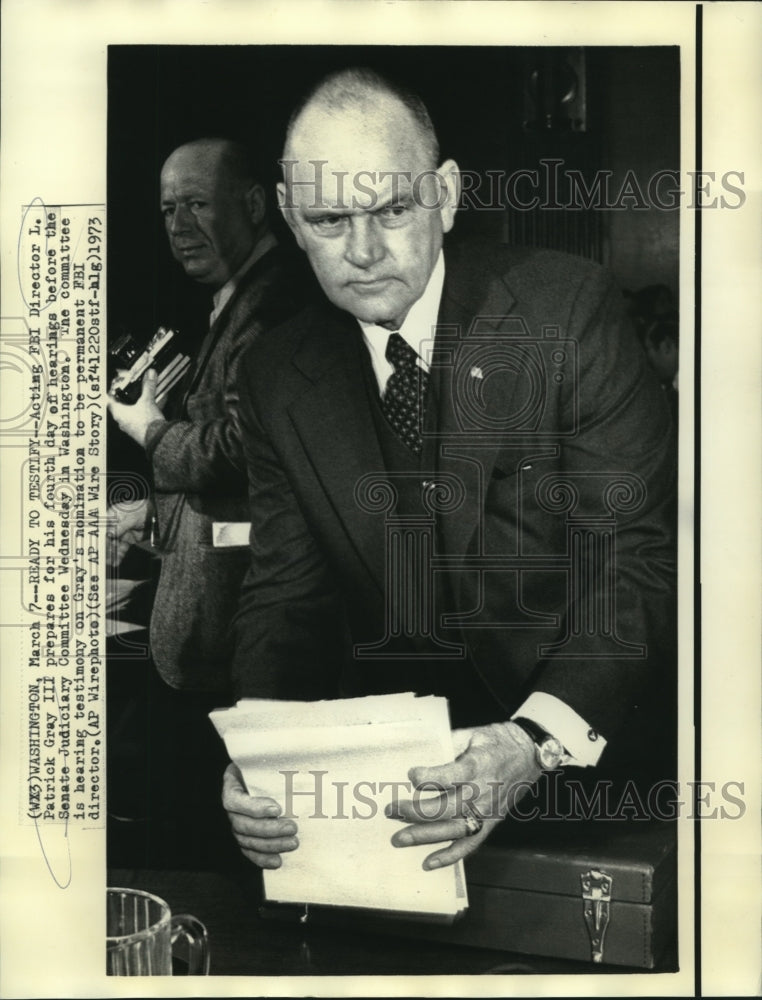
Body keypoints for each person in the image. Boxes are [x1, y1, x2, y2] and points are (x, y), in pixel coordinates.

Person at [223, 69, 677, 875]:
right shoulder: (274, 374)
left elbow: (635, 561)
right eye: (329, 220)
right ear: (289, 217)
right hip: (396, 810)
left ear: (447, 194)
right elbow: (286, 599)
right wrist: (262, 754)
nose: (364, 252)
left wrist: (530, 742)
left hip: (586, 785)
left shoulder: (566, 310)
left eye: (393, 210)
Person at [107, 136, 311, 694]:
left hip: (239, 640)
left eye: (197, 204)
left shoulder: (273, 303)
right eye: (168, 210)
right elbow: (243, 498)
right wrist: (150, 515)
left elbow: (251, 450)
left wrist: (148, 429)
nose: (179, 226)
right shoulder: (244, 296)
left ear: (254, 205)